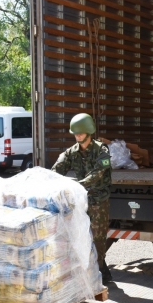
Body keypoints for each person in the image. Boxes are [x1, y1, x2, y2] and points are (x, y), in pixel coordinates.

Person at [51, 113, 113, 283]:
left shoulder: (102, 150)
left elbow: (97, 175)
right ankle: (96, 268)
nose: (77, 136)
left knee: (98, 238)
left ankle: (99, 271)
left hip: (98, 200)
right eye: (75, 133)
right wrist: (48, 181)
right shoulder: (72, 152)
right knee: (81, 236)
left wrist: (77, 186)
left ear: (89, 131)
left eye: (81, 133)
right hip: (81, 201)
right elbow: (57, 169)